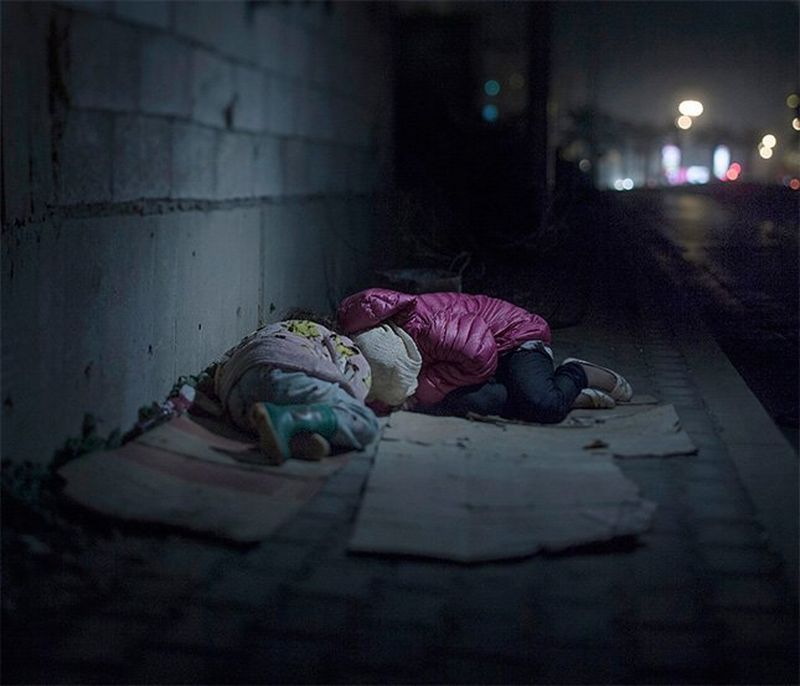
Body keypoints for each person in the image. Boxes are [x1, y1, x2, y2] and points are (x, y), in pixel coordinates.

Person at [337, 288, 632, 423]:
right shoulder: (367, 341)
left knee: (544, 407)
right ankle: (557, 392)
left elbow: (480, 356)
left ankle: (576, 373)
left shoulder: (429, 328)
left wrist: (421, 390)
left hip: (513, 340)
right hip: (466, 364)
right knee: (463, 401)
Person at [214, 319, 380, 464]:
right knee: (365, 421)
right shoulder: (336, 339)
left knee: (274, 415)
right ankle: (291, 419)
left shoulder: (262, 331)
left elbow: (220, 366)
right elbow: (356, 382)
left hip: (237, 398)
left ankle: (291, 435)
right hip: (286, 375)